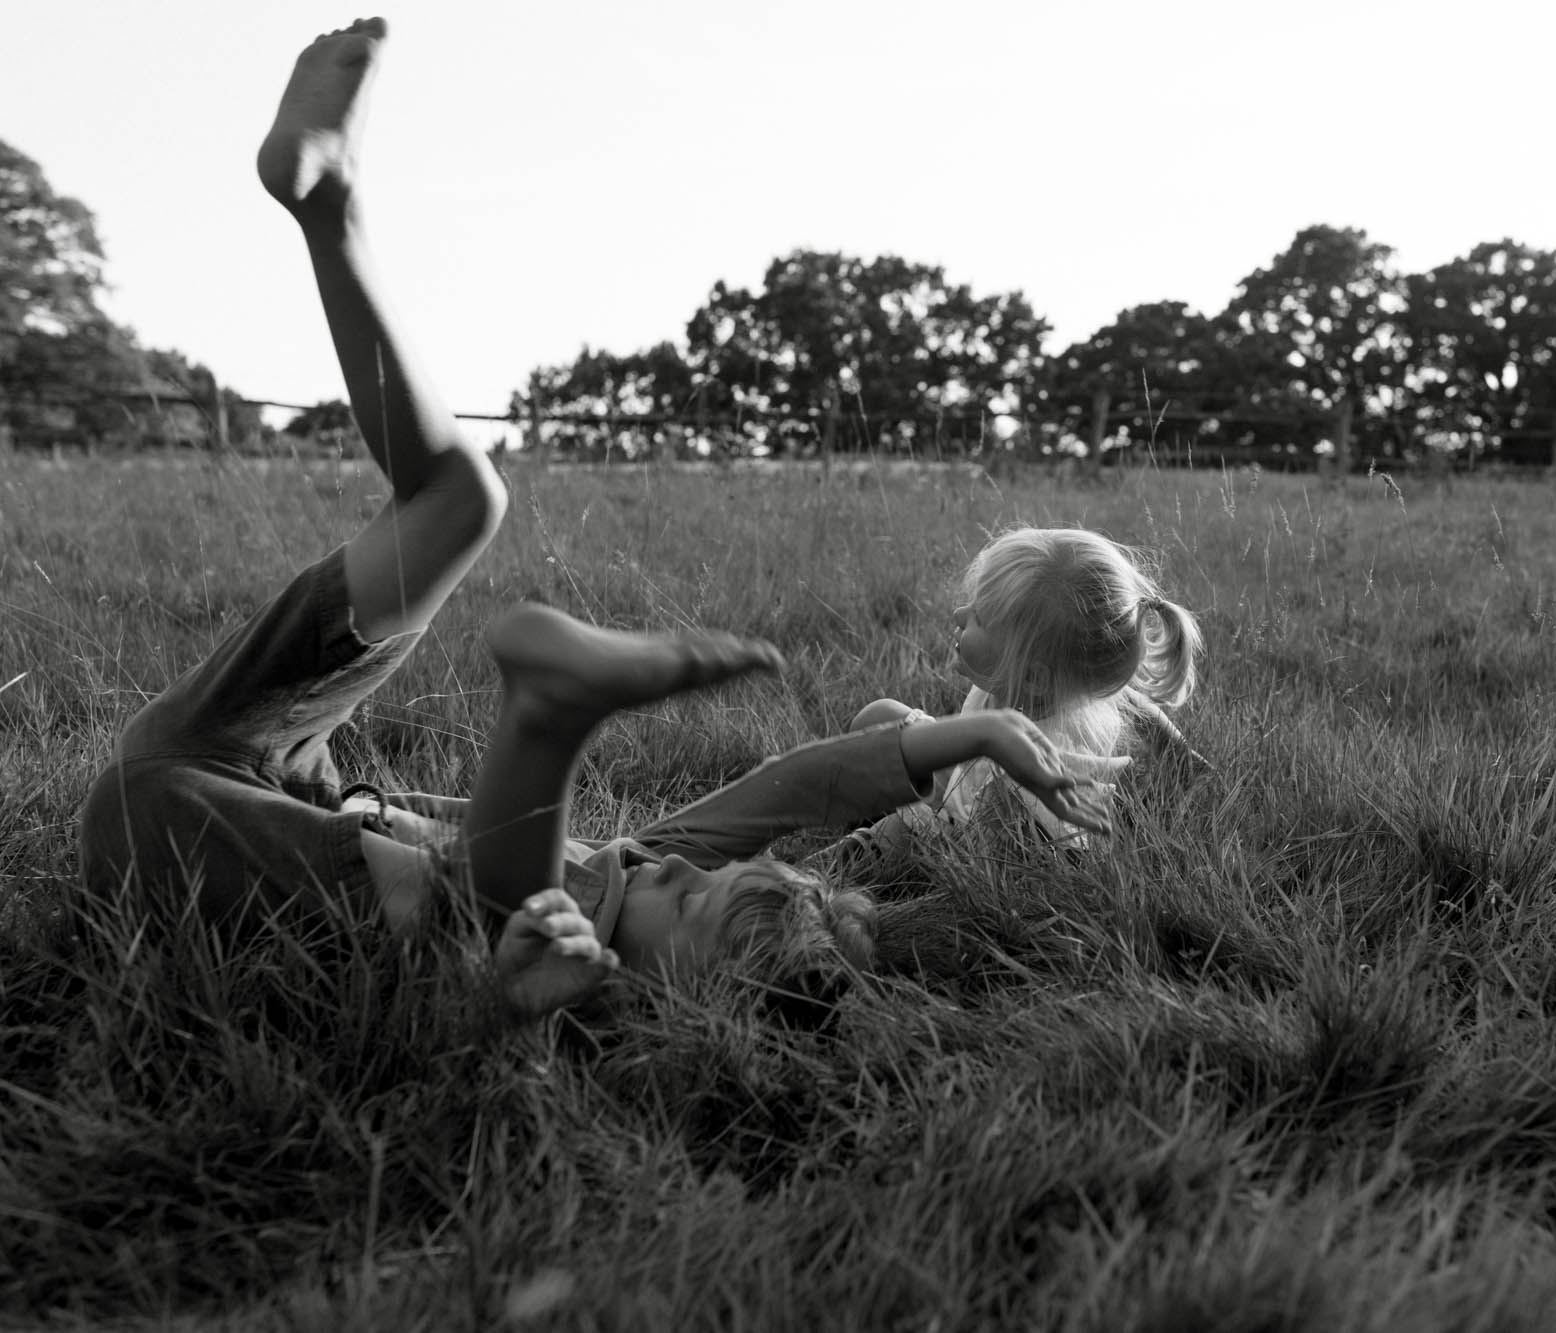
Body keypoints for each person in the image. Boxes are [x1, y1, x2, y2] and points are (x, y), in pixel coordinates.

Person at [76, 18, 1123, 1018]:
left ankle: (554, 713)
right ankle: (328, 212)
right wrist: (975, 728)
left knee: (491, 918)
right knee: (460, 500)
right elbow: (790, 789)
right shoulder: (635, 875)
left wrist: (517, 1004)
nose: (661, 865)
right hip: (251, 754)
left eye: (677, 895)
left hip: (160, 835)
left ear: (662, 994)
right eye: (679, 874)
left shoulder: (565, 959)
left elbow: (500, 978)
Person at [840, 526, 1203, 863]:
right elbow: (1133, 702)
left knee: (897, 835)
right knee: (879, 717)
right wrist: (1181, 754)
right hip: (965, 781)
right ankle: (872, 814)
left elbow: (1064, 849)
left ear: (1031, 676)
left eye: (978, 618)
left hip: (981, 833)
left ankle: (857, 852)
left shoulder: (1041, 759)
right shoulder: (1029, 684)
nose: (958, 614)